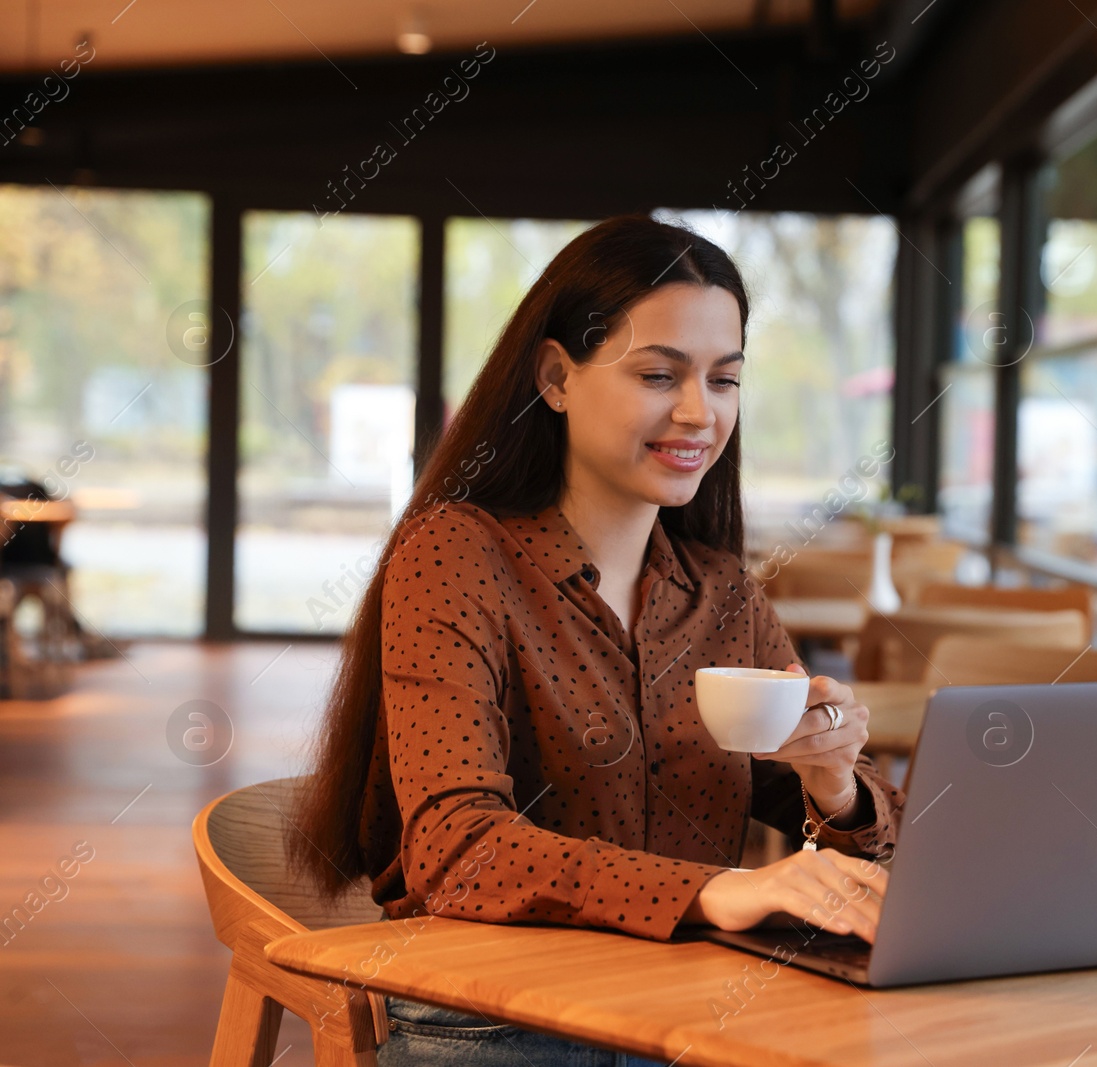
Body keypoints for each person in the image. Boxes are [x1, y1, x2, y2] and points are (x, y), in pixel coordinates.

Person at [290, 214, 905, 1065]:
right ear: (555, 377)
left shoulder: (721, 591)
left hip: (694, 1006)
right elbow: (456, 849)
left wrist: (831, 784)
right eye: (660, 374)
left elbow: (880, 853)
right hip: (501, 1018)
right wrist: (720, 889)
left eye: (725, 381)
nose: (699, 413)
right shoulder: (458, 551)